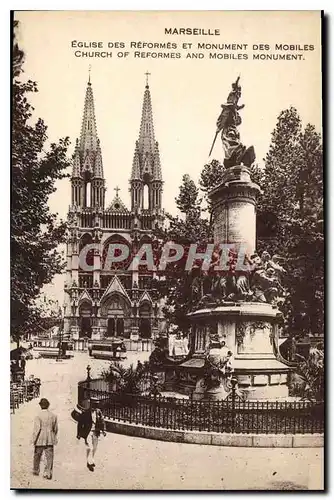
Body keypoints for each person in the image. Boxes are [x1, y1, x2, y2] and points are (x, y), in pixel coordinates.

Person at [76, 397, 106, 471]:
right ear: (91, 404)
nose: (95, 406)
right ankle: (89, 462)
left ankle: (91, 458)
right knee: (90, 447)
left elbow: (102, 421)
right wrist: (79, 434)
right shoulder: (86, 412)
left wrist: (103, 430)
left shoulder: (98, 412)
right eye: (94, 404)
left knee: (95, 447)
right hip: (88, 432)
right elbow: (80, 423)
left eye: (96, 405)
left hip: (96, 432)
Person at [32, 398, 58, 480]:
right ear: (48, 405)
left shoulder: (38, 416)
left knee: (37, 455)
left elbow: (37, 429)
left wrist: (33, 440)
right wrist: (53, 435)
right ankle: (48, 473)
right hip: (50, 438)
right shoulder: (53, 416)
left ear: (40, 405)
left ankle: (36, 470)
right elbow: (56, 429)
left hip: (40, 438)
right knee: (49, 456)